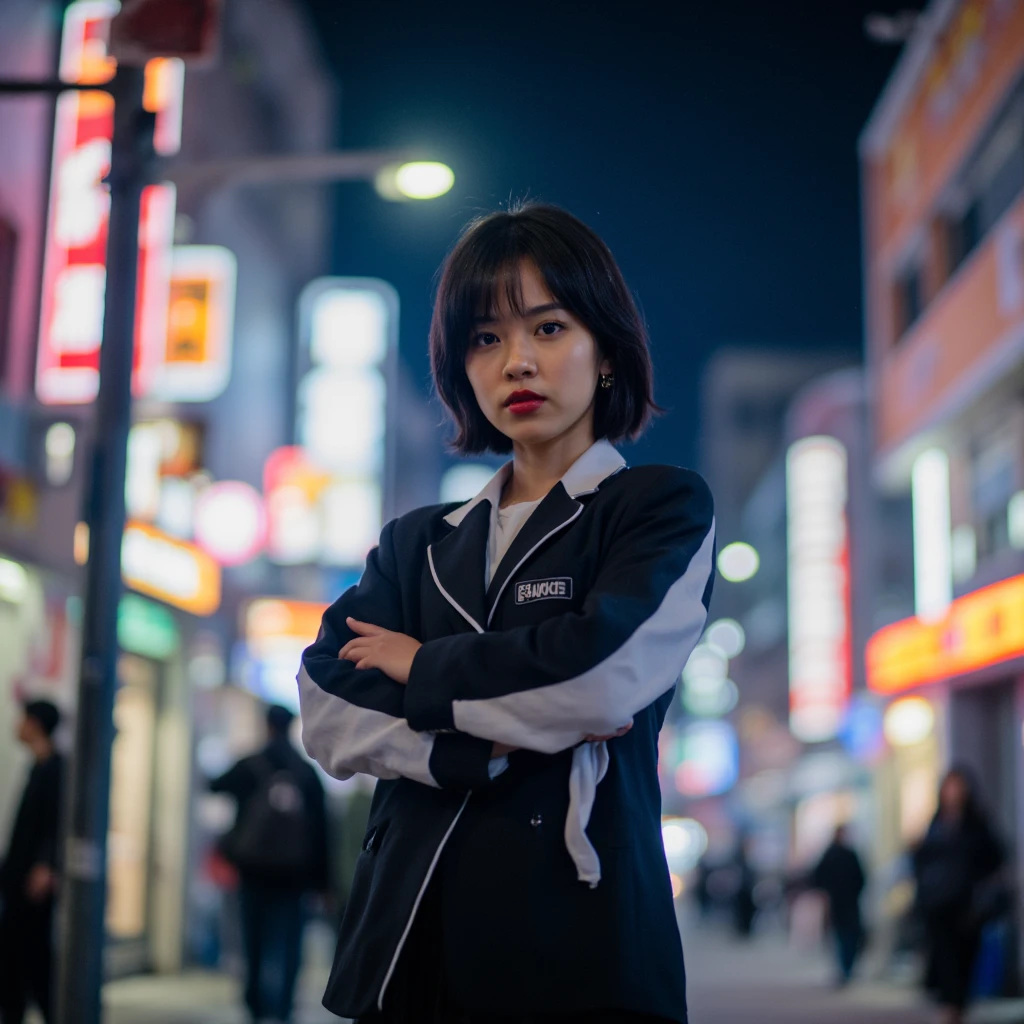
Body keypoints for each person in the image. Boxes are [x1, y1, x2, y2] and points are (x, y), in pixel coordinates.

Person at [298, 202, 716, 1023]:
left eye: (549, 328)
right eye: (486, 338)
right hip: (405, 949)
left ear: (604, 351)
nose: (516, 361)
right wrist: (485, 742)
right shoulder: (416, 541)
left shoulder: (656, 507)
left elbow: (600, 678)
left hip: (576, 948)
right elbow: (327, 710)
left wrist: (419, 666)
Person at [210, 704, 330, 1024]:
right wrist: (323, 883)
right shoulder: (305, 772)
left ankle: (255, 1005)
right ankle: (283, 1008)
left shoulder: (250, 765)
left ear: (266, 726)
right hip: (295, 877)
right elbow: (322, 829)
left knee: (253, 940)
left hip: (253, 871)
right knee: (289, 944)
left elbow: (214, 785)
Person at [913, 766, 1005, 1024]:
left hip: (967, 904)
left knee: (965, 955)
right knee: (944, 956)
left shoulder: (977, 824)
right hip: (938, 903)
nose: (954, 793)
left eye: (958, 787)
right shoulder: (936, 824)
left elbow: (996, 856)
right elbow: (922, 859)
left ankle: (958, 1004)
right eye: (950, 787)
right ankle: (950, 1006)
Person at [0, 699, 64, 1024]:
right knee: (16, 957)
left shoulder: (55, 769)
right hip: (18, 878)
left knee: (32, 958)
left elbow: (57, 825)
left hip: (32, 883)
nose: (16, 726)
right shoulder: (39, 766)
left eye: (22, 719)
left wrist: (46, 865)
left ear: (35, 723)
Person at [810, 825, 866, 986]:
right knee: (844, 936)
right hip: (843, 902)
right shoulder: (840, 854)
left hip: (843, 902)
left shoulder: (839, 854)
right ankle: (845, 968)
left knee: (846, 936)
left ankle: (846, 968)